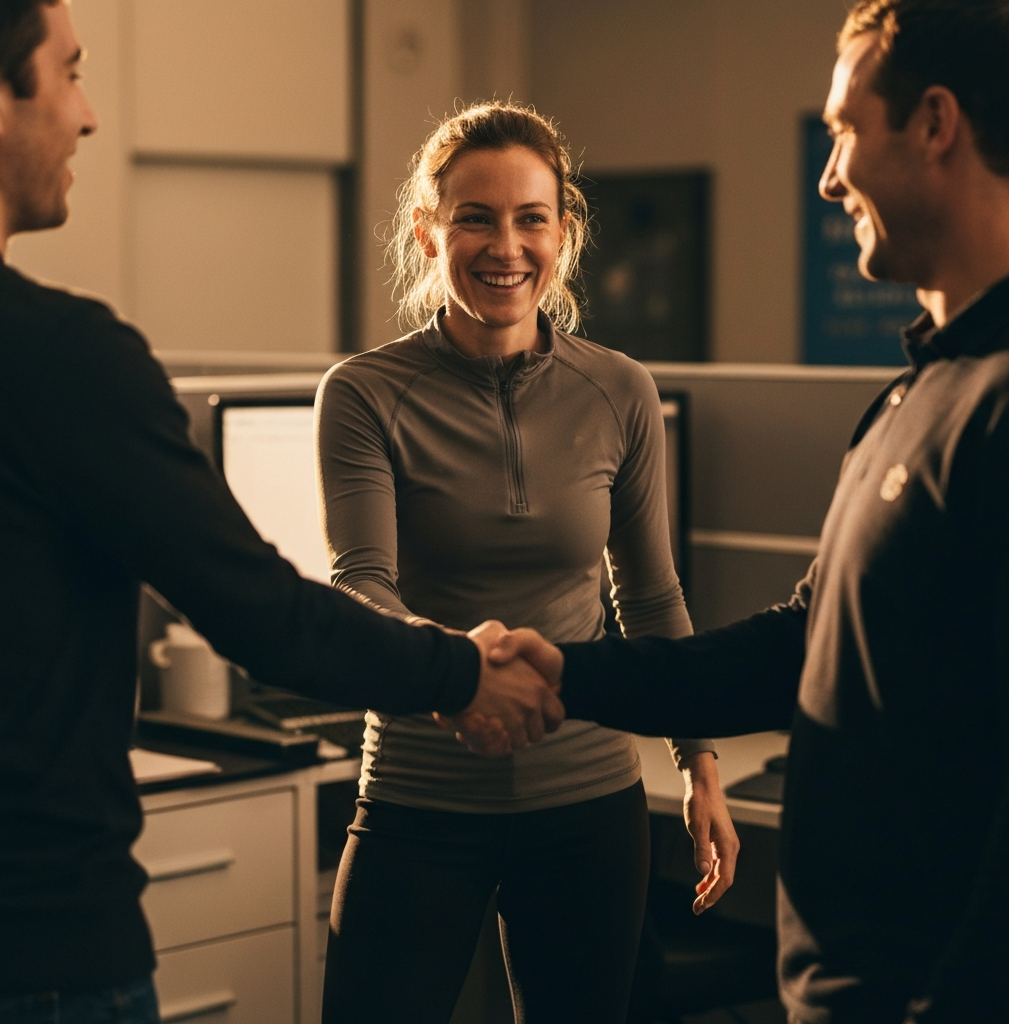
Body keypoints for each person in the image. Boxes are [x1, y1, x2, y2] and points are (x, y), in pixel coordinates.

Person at [0, 2, 562, 1019]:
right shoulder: (57, 360)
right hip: (35, 946)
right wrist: (463, 669)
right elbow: (262, 612)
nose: (87, 117)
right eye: (70, 72)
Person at [480, 2, 1009, 1022]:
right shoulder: (911, 398)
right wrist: (570, 670)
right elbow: (801, 649)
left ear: (936, 123)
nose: (826, 174)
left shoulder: (997, 407)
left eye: (845, 130)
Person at [315, 101, 738, 1024]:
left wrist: (698, 761)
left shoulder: (619, 388)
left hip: (587, 802)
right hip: (418, 795)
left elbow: (650, 594)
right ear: (429, 231)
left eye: (529, 218)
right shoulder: (363, 394)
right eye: (475, 216)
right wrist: (462, 672)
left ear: (565, 233)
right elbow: (362, 586)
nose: (504, 245)